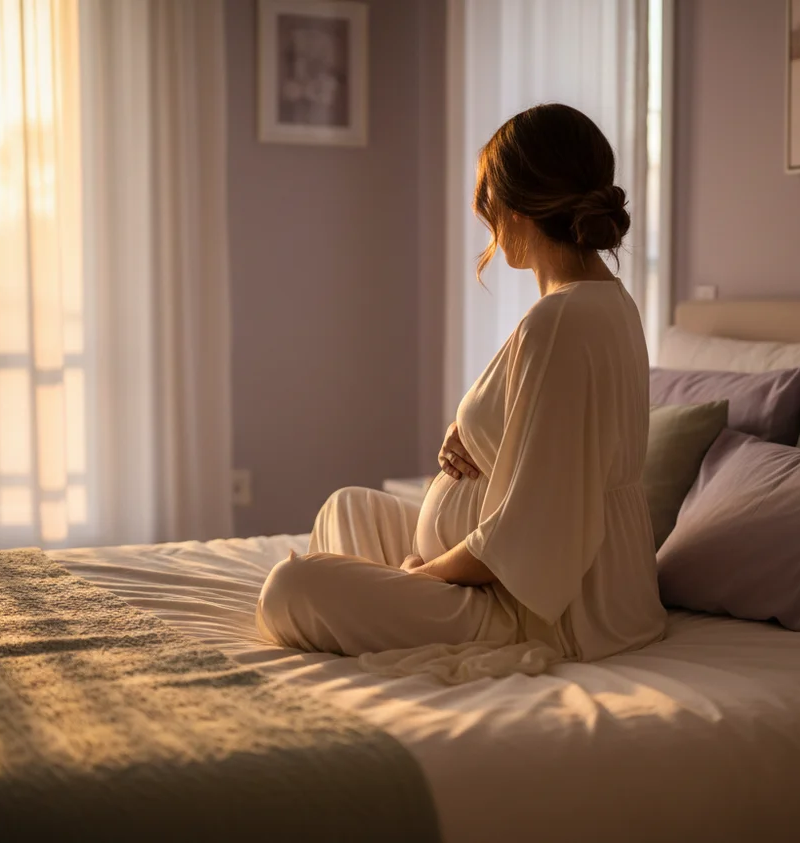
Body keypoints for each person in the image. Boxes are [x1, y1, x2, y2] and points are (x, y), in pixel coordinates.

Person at [255, 103, 666, 681]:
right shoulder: (605, 304)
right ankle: (397, 604)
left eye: (488, 201)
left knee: (289, 589)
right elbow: (547, 449)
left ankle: (402, 607)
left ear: (516, 207)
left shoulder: (562, 322)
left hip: (535, 607)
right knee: (347, 505)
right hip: (511, 574)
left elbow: (533, 533)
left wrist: (418, 577)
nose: (486, 220)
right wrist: (472, 432)